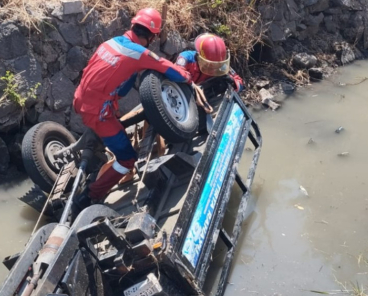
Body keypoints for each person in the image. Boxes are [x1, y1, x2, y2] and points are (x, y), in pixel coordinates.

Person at [72, 8, 196, 206]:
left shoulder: (110, 43)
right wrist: (189, 78)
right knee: (127, 159)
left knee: (118, 107)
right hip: (97, 114)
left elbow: (116, 87)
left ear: (133, 26)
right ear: (151, 36)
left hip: (80, 100)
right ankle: (91, 195)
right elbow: (170, 69)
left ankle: (104, 135)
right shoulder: (138, 52)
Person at [175, 33, 244, 92]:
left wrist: (232, 82)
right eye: (210, 65)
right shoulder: (186, 58)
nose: (213, 68)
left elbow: (240, 84)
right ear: (200, 56)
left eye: (216, 65)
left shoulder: (222, 66)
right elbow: (176, 73)